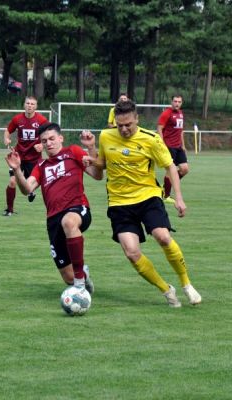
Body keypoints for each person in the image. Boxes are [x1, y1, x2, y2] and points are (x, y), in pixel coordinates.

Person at [84, 99, 201, 307]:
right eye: (120, 125)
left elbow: (170, 167)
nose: (124, 129)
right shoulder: (106, 136)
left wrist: (179, 198)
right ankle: (166, 290)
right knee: (131, 252)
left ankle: (186, 284)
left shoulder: (152, 139)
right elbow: (102, 165)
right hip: (119, 203)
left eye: (128, 124)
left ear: (136, 119)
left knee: (163, 237)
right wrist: (91, 151)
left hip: (148, 197)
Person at [5, 122, 102, 293]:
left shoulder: (73, 151)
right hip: (53, 220)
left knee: (69, 222)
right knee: (68, 277)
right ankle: (81, 277)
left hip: (78, 208)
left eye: (51, 139)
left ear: (60, 138)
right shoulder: (41, 166)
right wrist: (18, 169)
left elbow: (97, 174)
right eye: (44, 141)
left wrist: (92, 148)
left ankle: (79, 282)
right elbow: (27, 189)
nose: (48, 143)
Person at [2, 96, 49, 216]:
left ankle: (31, 192)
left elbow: (50, 135)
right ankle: (9, 210)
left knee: (31, 183)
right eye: (28, 103)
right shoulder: (17, 119)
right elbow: (8, 130)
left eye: (33, 104)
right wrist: (6, 138)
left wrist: (42, 145)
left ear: (36, 106)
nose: (30, 106)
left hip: (34, 159)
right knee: (12, 181)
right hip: (18, 156)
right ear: (24, 105)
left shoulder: (42, 120)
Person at [157, 94, 189, 202]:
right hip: (169, 146)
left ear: (181, 103)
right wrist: (162, 144)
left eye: (179, 102)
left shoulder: (180, 113)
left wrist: (183, 145)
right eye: (175, 101)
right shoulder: (167, 113)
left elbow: (180, 131)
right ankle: (166, 195)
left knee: (184, 169)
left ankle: (166, 186)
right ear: (171, 102)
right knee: (171, 171)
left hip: (178, 146)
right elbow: (159, 128)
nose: (177, 104)